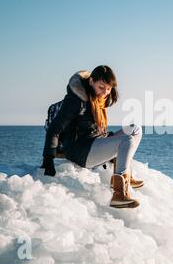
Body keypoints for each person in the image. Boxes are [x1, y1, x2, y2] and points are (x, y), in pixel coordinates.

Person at [41, 65, 143, 209]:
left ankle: (123, 177)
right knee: (127, 139)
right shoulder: (76, 100)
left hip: (95, 142)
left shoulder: (98, 99)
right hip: (81, 151)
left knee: (135, 128)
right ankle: (119, 194)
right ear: (91, 82)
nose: (105, 93)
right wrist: (48, 160)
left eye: (108, 89)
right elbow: (55, 128)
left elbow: (94, 129)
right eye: (101, 87)